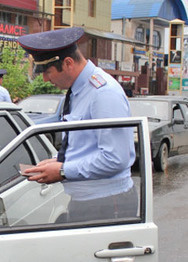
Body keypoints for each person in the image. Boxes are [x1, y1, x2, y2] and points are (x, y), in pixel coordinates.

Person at [17, 27, 137, 222]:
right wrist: (57, 160)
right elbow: (85, 145)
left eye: (47, 72)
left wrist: (63, 171)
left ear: (68, 63)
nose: (45, 79)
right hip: (89, 201)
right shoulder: (79, 90)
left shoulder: (102, 93)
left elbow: (115, 158)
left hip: (107, 203)